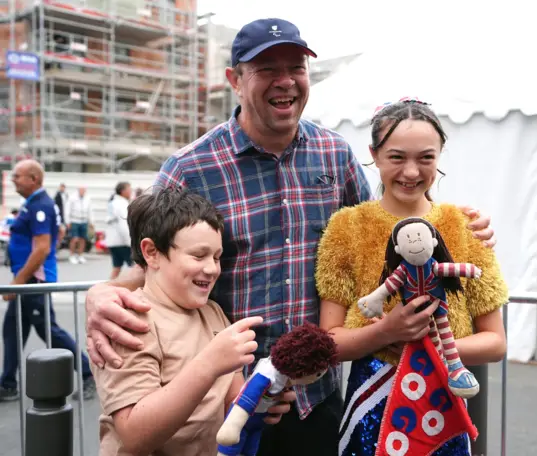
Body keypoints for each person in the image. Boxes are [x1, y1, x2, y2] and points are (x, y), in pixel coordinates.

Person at [83, 18, 497, 456]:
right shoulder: (190, 168)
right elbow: (153, 261)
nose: (286, 82)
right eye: (266, 70)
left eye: (296, 68)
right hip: (228, 403)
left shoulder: (333, 155)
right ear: (235, 81)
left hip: (314, 400)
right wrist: (101, 291)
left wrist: (459, 223)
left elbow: (384, 231)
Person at [316, 98, 509, 455]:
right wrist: (385, 332)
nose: (411, 171)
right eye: (396, 157)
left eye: (425, 158)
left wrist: (433, 349)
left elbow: (495, 343)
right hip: (370, 402)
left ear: (440, 156)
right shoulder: (346, 228)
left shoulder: (465, 227)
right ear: (374, 155)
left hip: (442, 403)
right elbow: (330, 341)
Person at [91, 187, 292, 455]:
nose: (212, 268)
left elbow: (228, 403)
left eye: (217, 257)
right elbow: (134, 435)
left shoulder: (213, 313)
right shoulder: (128, 321)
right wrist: (209, 364)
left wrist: (261, 399)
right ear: (151, 252)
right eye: (199, 255)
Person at [0, 159, 95, 402]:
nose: (13, 180)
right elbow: (56, 232)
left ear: (34, 179)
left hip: (34, 281)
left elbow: (41, 248)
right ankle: (8, 382)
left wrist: (18, 281)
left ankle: (88, 373)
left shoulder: (40, 205)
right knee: (12, 329)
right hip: (28, 279)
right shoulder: (33, 204)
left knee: (49, 331)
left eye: (18, 176)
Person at [104, 182, 133, 280]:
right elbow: (123, 224)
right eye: (129, 189)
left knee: (116, 268)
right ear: (123, 191)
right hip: (122, 242)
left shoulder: (113, 202)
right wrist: (130, 241)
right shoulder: (122, 204)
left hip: (113, 241)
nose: (131, 191)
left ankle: (108, 289)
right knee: (135, 268)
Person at [66, 185, 93, 264]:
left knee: (83, 239)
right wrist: (68, 221)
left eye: (84, 190)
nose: (83, 191)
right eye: (81, 190)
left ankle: (80, 255)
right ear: (78, 190)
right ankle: (72, 255)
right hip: (74, 220)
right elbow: (67, 210)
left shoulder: (88, 198)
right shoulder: (72, 198)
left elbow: (90, 210)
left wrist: (91, 222)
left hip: (84, 221)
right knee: (74, 239)